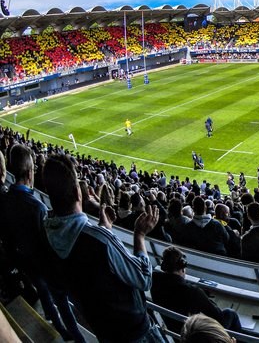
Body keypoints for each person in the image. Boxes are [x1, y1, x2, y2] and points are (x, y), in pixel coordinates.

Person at [42, 154, 164, 342]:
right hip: (135, 333)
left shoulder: (47, 234)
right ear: (78, 193)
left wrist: (104, 229)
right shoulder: (100, 240)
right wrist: (139, 234)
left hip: (104, 332)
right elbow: (144, 278)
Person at [0, 145, 83, 342]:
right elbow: (47, 241)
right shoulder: (36, 206)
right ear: (30, 172)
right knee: (60, 300)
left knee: (45, 296)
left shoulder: (7, 198)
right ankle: (75, 335)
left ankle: (55, 322)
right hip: (44, 266)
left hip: (25, 263)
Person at [150, 247, 242, 333]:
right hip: (192, 335)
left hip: (173, 331)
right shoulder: (192, 291)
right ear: (183, 266)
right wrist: (202, 295)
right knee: (230, 313)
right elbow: (218, 316)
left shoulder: (153, 280)